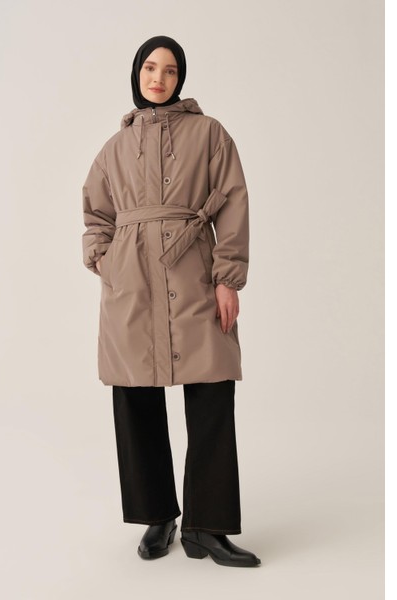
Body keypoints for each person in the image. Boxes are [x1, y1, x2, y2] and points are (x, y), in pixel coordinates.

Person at [82, 35, 261, 568]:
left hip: (195, 275)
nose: (158, 79)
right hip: (131, 284)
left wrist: (227, 279)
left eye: (170, 70)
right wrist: (104, 260)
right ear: (137, 73)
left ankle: (207, 527)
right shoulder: (113, 149)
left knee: (212, 394)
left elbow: (232, 201)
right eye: (150, 68)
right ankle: (157, 516)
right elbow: (96, 216)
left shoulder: (210, 134)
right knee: (135, 398)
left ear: (181, 77)